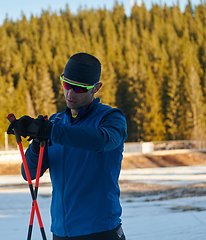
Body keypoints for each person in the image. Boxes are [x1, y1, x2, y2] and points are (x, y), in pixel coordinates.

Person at [7, 52, 128, 240]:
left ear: (96, 88)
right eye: (66, 84)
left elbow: (102, 140)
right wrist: (37, 141)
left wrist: (50, 132)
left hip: (100, 231)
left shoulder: (111, 119)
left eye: (79, 88)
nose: (70, 93)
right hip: (60, 232)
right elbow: (29, 173)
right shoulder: (55, 122)